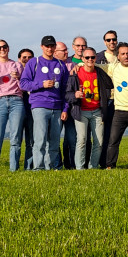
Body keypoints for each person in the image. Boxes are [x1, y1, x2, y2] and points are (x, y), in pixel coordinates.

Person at [19, 35, 69, 171]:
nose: (49, 48)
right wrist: (41, 84)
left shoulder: (61, 65)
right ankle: (38, 168)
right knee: (40, 139)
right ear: (42, 47)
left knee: (54, 141)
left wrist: (65, 108)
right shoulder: (34, 62)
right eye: (47, 46)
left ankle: (50, 167)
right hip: (39, 106)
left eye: (52, 46)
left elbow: (65, 90)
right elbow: (23, 83)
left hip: (57, 107)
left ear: (55, 47)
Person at [65, 48, 111, 170]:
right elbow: (67, 94)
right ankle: (79, 168)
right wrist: (75, 95)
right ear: (82, 59)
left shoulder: (100, 72)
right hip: (81, 111)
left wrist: (105, 97)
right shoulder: (75, 74)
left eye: (92, 57)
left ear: (96, 58)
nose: (90, 60)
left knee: (99, 141)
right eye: (87, 57)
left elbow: (110, 84)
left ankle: (93, 167)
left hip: (97, 111)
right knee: (82, 140)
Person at [0, 39, 24, 172]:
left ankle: (14, 169)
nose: (2, 49)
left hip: (16, 101)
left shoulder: (17, 65)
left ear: (8, 48)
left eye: (4, 47)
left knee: (15, 138)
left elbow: (23, 88)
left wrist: (18, 78)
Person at [52, 41, 77, 169]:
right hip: (56, 106)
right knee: (54, 138)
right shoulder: (52, 66)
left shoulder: (73, 65)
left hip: (71, 107)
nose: (67, 52)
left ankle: (72, 165)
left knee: (72, 139)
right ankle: (57, 165)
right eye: (64, 50)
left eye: (67, 50)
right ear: (55, 52)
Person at [15, 48, 35, 169]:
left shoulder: (36, 72)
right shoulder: (14, 71)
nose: (27, 59)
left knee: (31, 140)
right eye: (24, 57)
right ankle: (14, 167)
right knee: (16, 140)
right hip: (17, 108)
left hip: (31, 108)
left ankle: (29, 166)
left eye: (30, 57)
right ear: (19, 59)